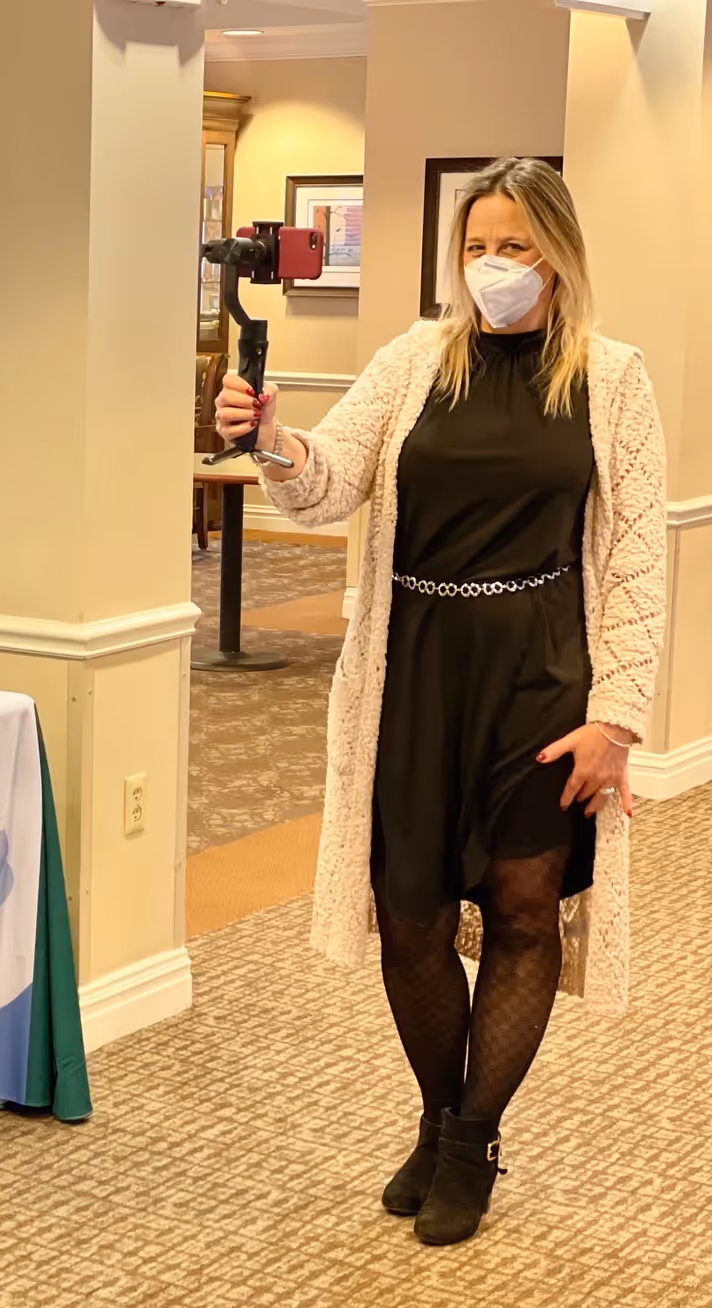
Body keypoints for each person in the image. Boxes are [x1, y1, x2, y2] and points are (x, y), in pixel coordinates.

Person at [214, 157, 667, 1246]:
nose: (492, 266)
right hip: (413, 670)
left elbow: (638, 561)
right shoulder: (414, 360)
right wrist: (272, 438)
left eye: (515, 247)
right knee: (410, 915)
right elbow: (329, 482)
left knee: (522, 909)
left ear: (557, 254)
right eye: (476, 247)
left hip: (541, 677)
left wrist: (615, 719)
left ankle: (469, 1142)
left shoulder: (612, 379)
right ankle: (438, 1113)